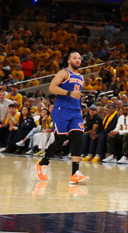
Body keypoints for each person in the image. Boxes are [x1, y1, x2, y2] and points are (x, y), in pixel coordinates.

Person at [35, 51, 89, 184]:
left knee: (78, 138)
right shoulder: (63, 73)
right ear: (68, 61)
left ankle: (75, 173)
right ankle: (43, 162)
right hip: (62, 110)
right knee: (60, 139)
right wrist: (69, 93)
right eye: (75, 58)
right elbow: (52, 88)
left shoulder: (81, 76)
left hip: (76, 111)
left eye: (79, 58)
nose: (78, 60)